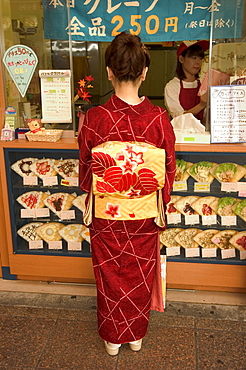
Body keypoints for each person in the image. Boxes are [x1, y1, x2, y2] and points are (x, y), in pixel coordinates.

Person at [78, 31, 176, 356]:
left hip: (107, 214)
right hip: (145, 212)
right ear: (144, 72)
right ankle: (135, 335)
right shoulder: (159, 119)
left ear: (108, 71)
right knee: (139, 272)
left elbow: (86, 173)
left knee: (109, 274)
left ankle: (111, 338)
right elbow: (168, 172)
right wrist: (157, 199)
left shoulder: (94, 119)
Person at [164, 40, 209, 122]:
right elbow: (178, 118)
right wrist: (201, 105)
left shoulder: (203, 83)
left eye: (201, 58)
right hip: (180, 133)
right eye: (194, 58)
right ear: (181, 59)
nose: (198, 62)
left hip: (201, 133)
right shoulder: (172, 86)